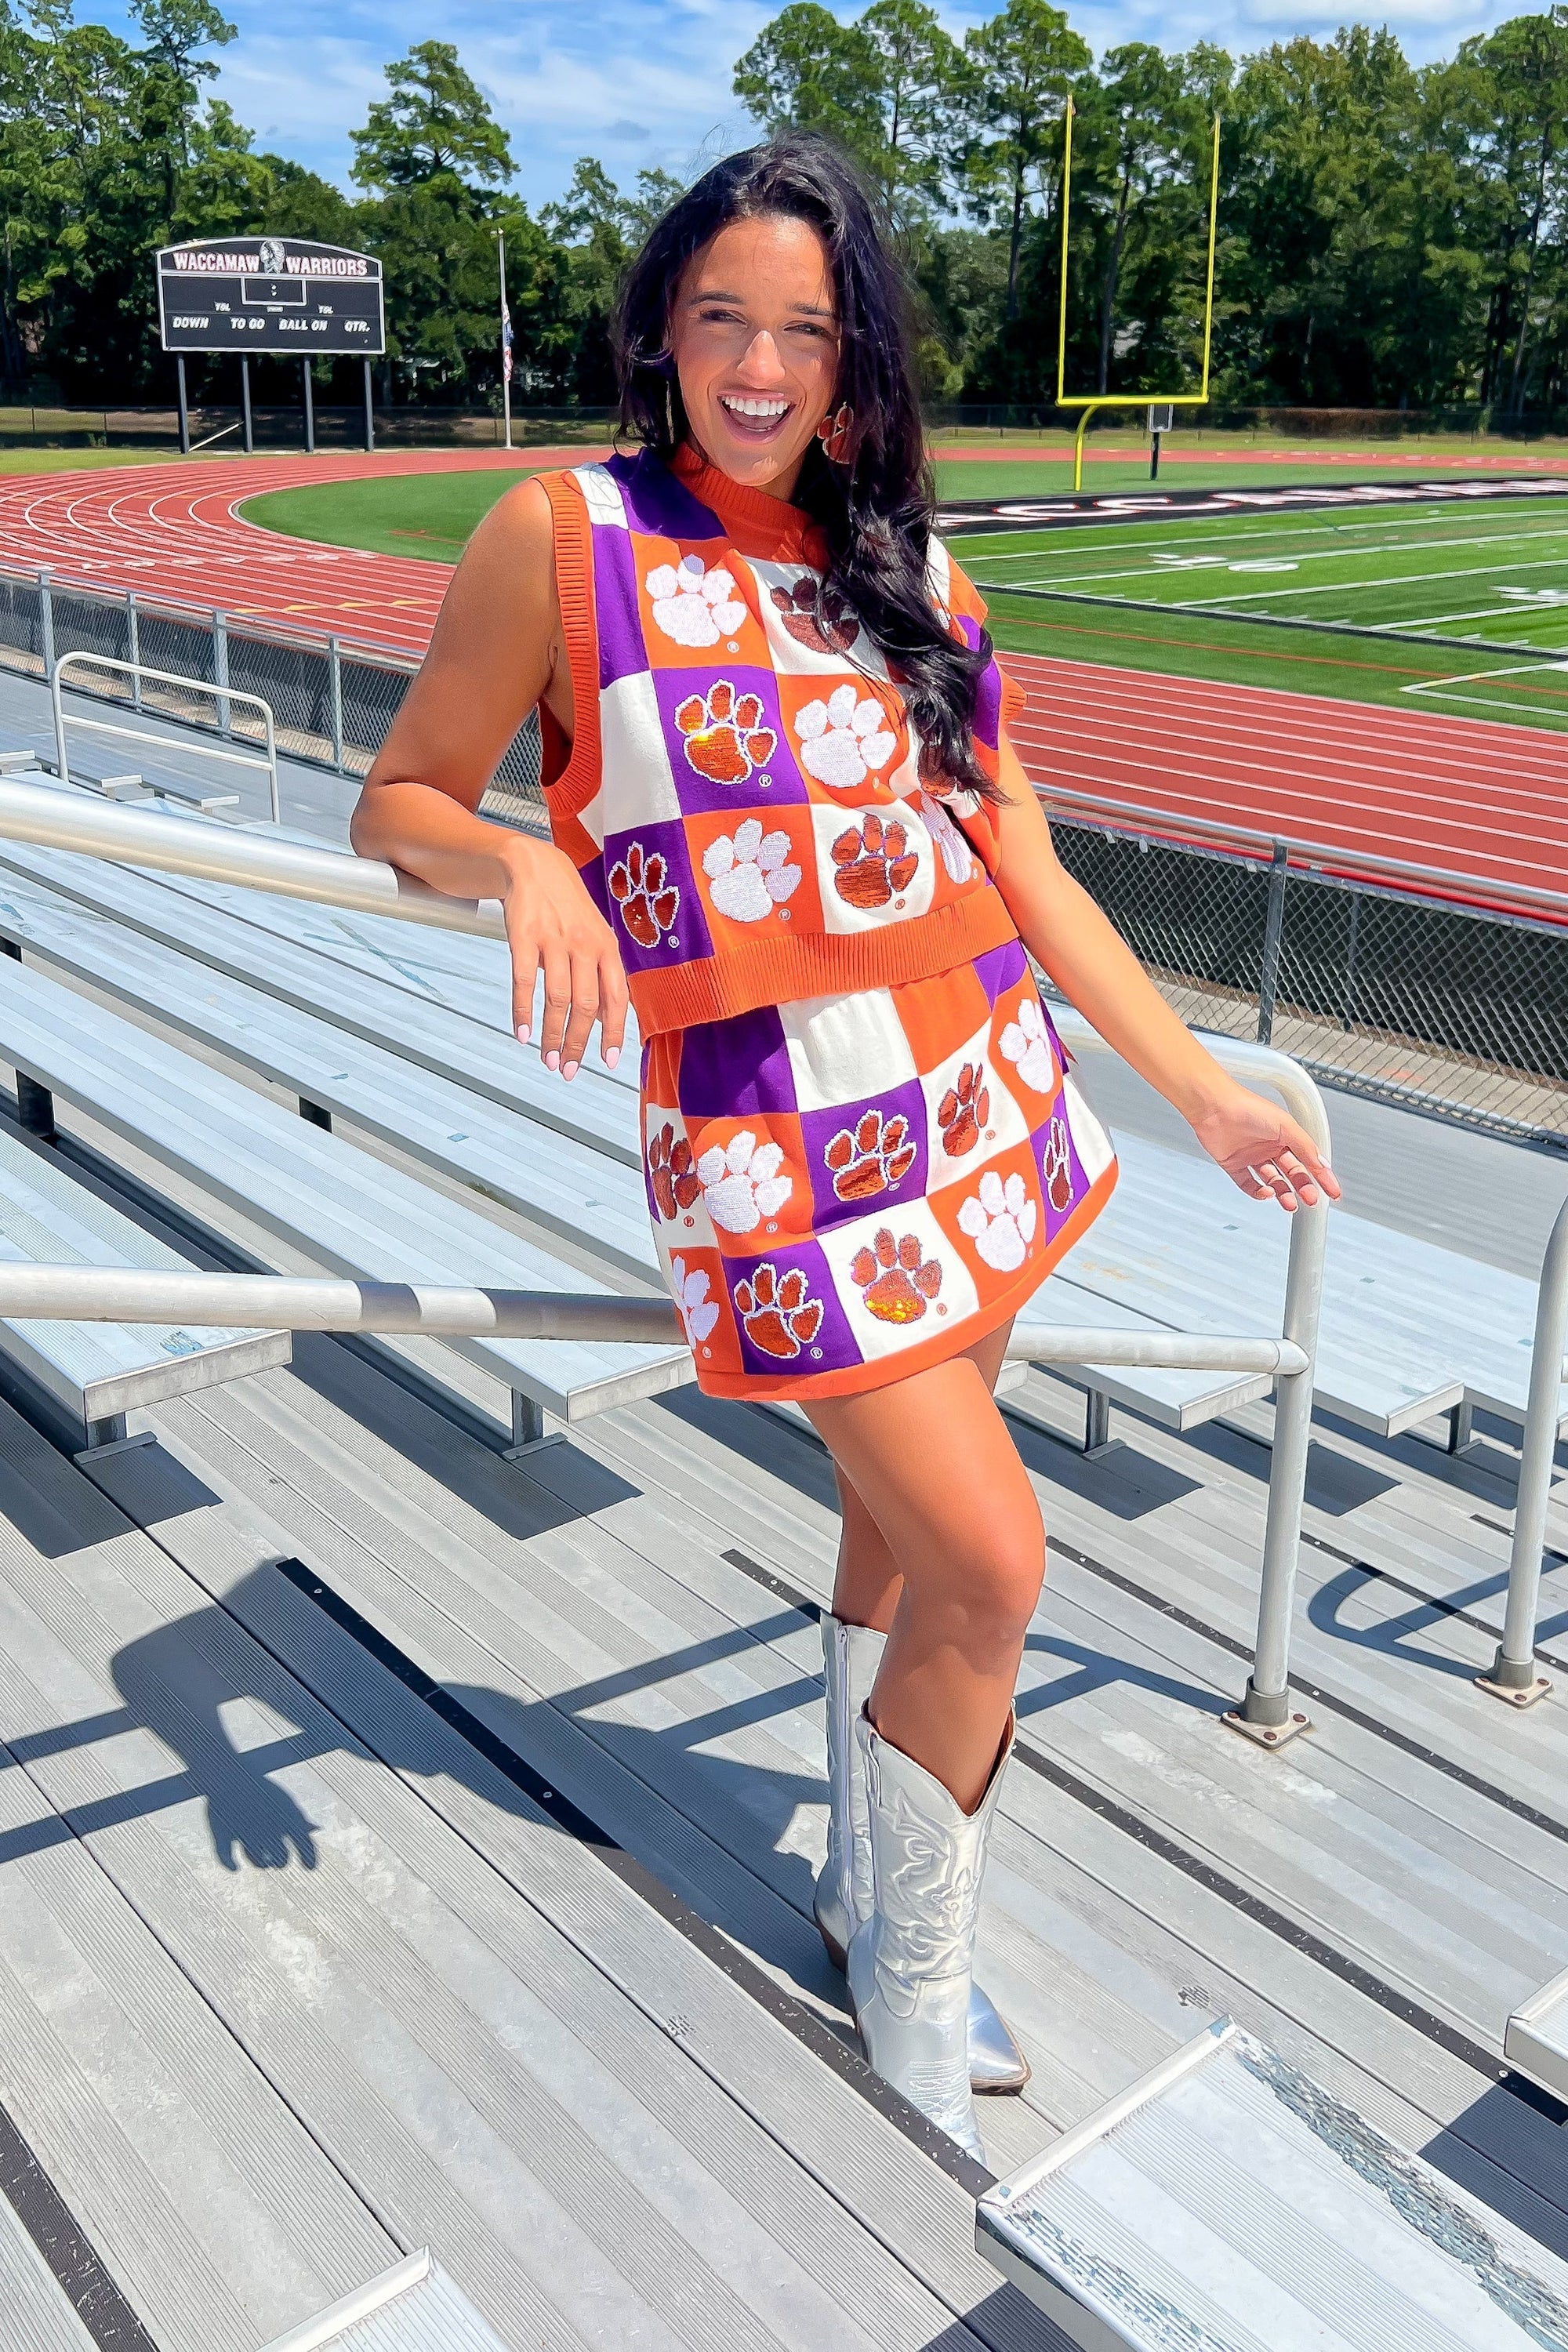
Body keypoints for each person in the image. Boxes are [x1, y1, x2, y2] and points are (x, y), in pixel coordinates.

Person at [350, 133, 1338, 2161]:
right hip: (766, 1139)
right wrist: (515, 859)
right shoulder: (562, 533)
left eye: (805, 327)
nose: (759, 365)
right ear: (663, 327)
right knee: (994, 1554)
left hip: (971, 1097)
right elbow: (400, 799)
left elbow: (1026, 858)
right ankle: (910, 1952)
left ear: (857, 353)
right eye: (723, 317)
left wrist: (1201, 1084)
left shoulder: (909, 571)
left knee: (905, 1540)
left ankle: (857, 1887)